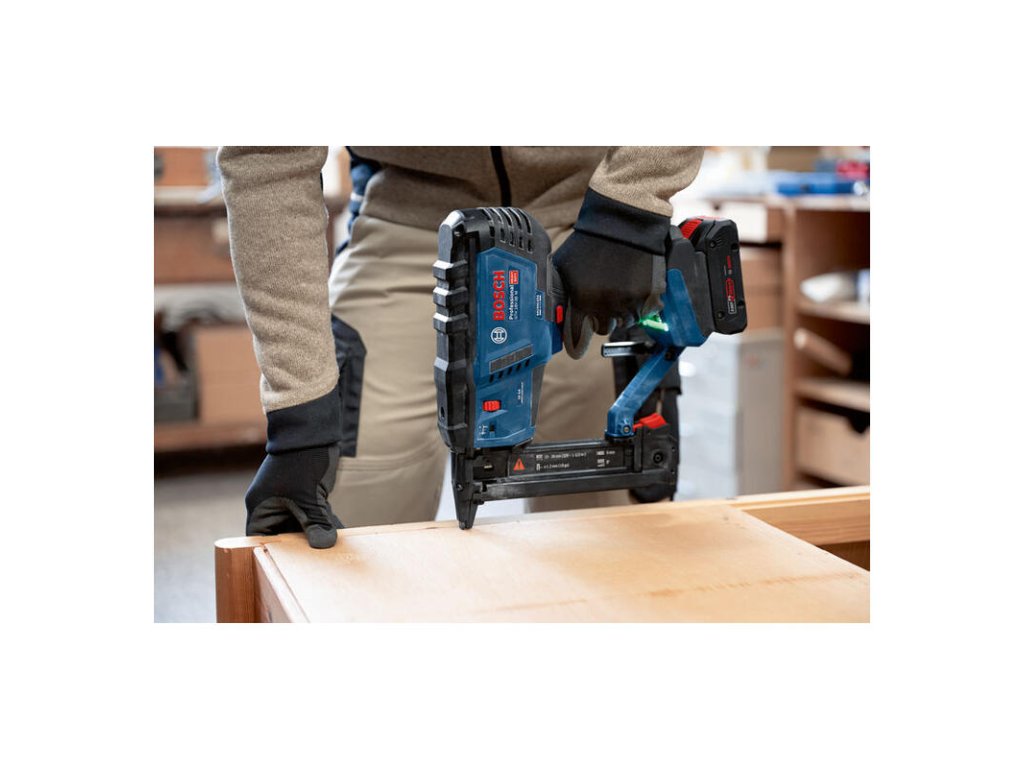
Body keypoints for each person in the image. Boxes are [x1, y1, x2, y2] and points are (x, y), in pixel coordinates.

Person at [218, 146, 704, 548]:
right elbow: (267, 159)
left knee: (611, 543)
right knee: (343, 529)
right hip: (405, 228)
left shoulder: (611, 219)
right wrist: (299, 412)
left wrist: (628, 209)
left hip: (589, 231)